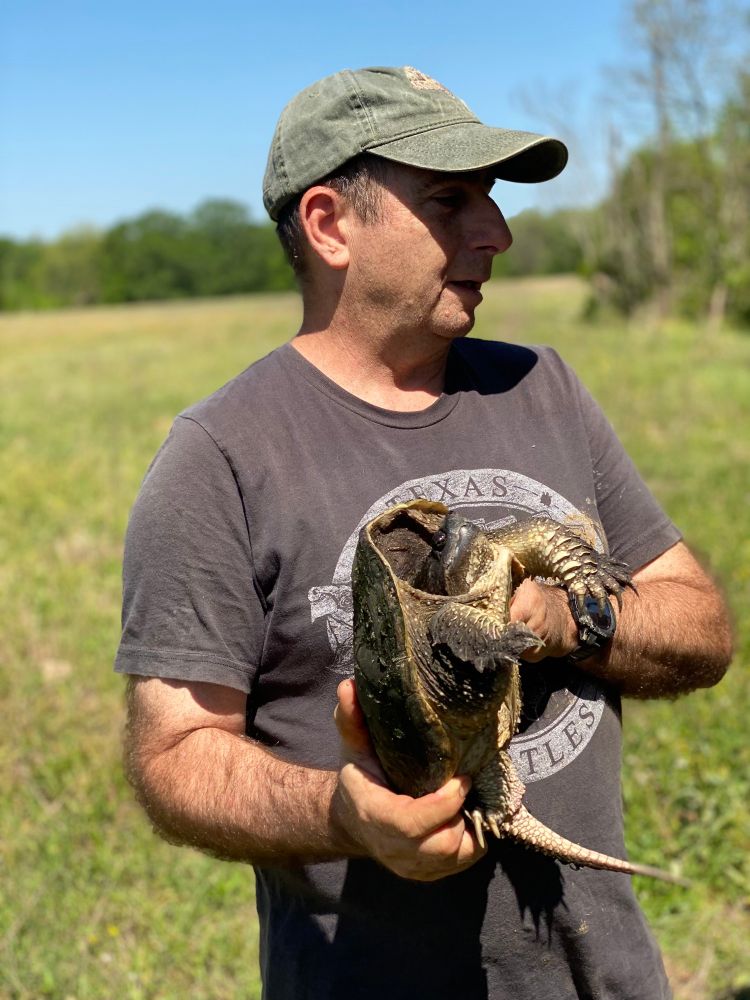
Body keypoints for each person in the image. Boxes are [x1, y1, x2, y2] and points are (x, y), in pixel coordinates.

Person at [116, 66, 732, 999]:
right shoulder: (221, 457)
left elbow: (701, 628)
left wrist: (571, 622)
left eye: (490, 200)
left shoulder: (542, 386)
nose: (497, 233)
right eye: (450, 202)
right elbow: (173, 758)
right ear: (330, 226)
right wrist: (341, 814)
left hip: (604, 977)